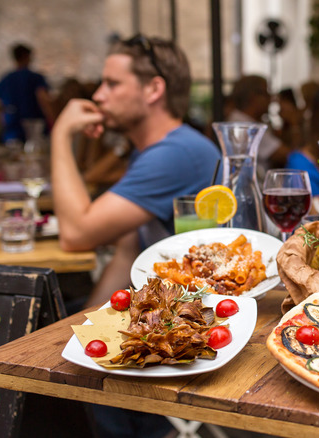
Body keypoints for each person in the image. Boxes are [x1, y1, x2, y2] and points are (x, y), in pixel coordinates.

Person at [51, 35, 221, 306]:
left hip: (203, 313)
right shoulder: (149, 151)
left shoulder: (175, 154)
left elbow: (75, 235)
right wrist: (87, 325)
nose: (98, 96)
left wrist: (60, 134)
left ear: (153, 89)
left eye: (112, 84)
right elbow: (127, 253)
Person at [0, 43, 55, 142]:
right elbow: (43, 99)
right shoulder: (36, 78)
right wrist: (52, 120)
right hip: (34, 125)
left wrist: (2, 124)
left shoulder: (6, 79)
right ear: (26, 56)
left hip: (12, 126)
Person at [227, 75, 290, 169]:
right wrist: (294, 124)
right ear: (253, 97)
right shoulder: (245, 126)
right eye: (267, 94)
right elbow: (286, 156)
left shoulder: (241, 120)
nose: (271, 99)